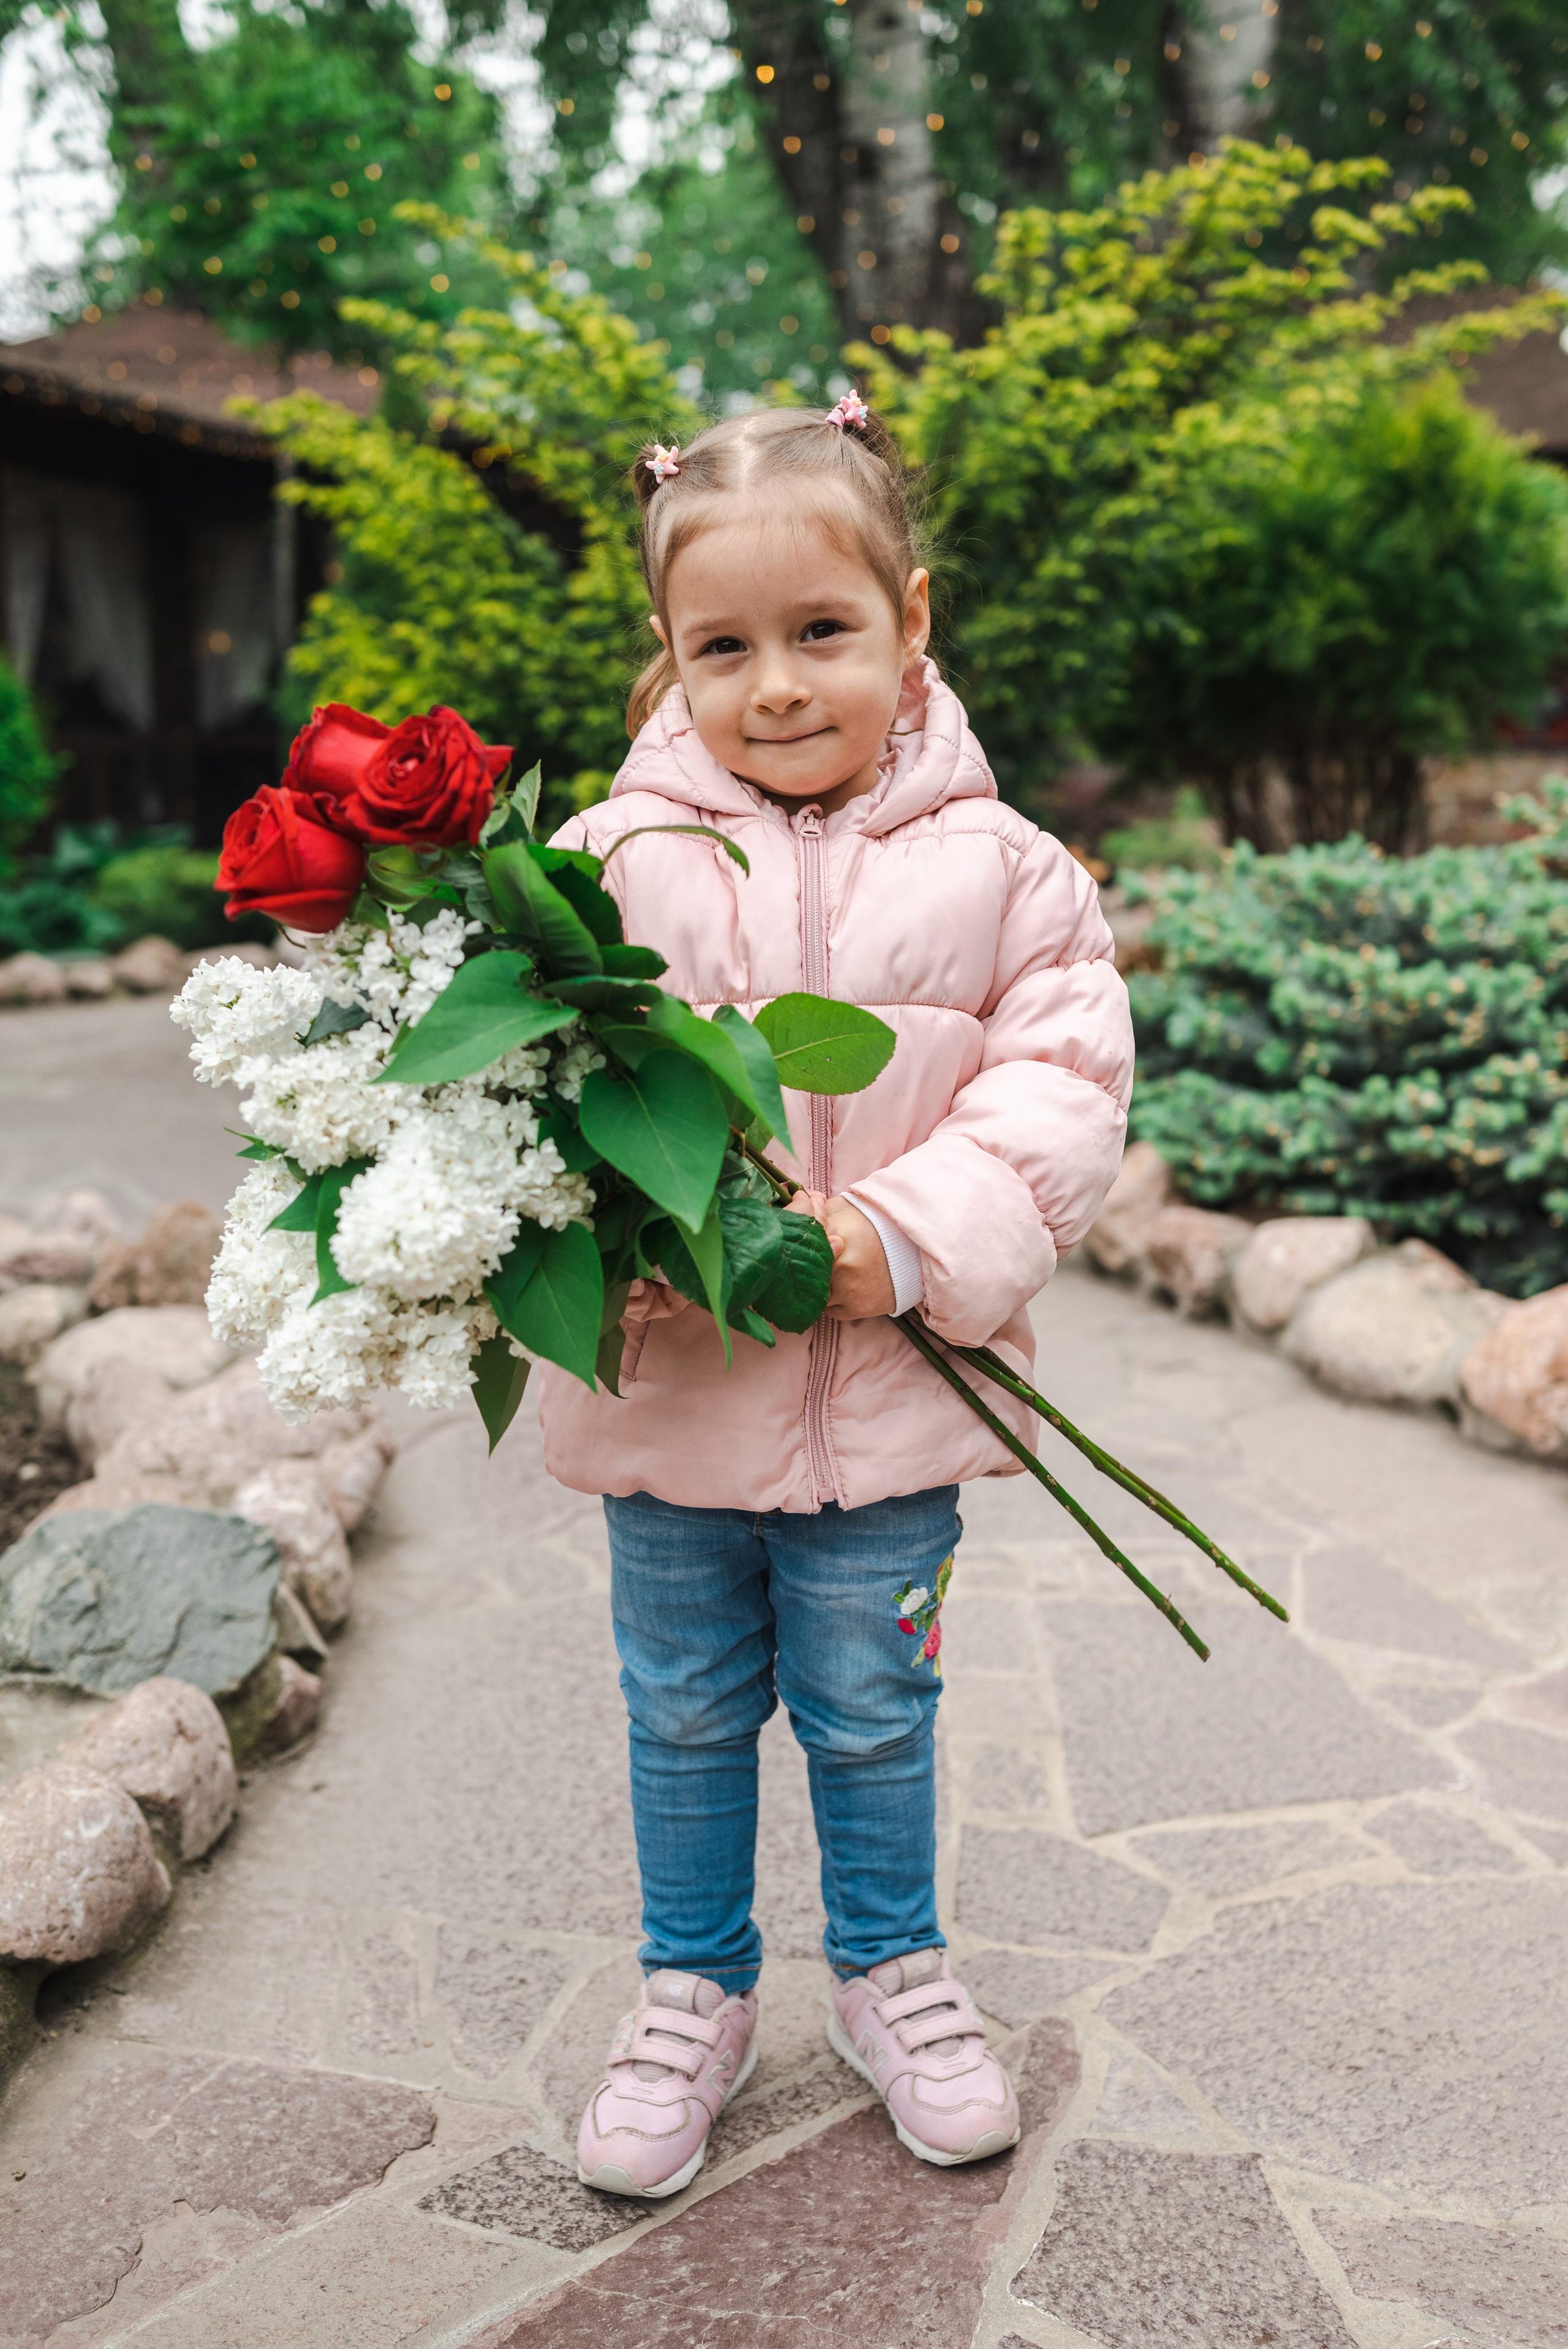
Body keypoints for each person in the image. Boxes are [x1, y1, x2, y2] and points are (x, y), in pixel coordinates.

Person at [542, 398, 1134, 2198]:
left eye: (824, 634)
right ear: (669, 655)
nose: (778, 684)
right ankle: (693, 1989)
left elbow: (1059, 1088)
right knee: (686, 1704)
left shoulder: (1009, 871)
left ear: (913, 621)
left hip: (894, 1398)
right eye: (724, 646)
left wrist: (891, 1233)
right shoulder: (602, 867)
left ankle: (893, 1972)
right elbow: (530, 1104)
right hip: (677, 1392)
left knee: (878, 1705)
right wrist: (622, 1230)